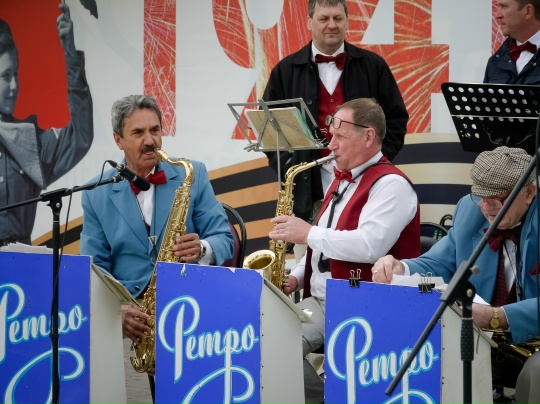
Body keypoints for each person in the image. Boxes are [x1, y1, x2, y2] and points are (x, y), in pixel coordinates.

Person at [269, 98, 419, 404]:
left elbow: (369, 245)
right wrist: (297, 277)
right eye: (331, 136)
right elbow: (322, 250)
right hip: (324, 301)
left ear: (369, 136)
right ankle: (324, 397)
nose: (331, 145)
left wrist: (307, 232)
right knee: (267, 344)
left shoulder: (392, 185)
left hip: (364, 304)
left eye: (340, 137)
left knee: (278, 347)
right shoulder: (340, 179)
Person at [371, 146, 539, 404]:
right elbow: (440, 262)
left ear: (529, 193)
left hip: (531, 337)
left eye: (495, 200)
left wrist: (498, 316)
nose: (485, 207)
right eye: (479, 196)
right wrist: (401, 268)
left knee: (536, 372)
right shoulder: (470, 209)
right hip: (488, 339)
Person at [80, 95, 233, 342]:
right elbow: (95, 267)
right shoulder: (95, 192)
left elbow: (224, 238)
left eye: (155, 130)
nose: (150, 141)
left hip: (190, 305)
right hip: (132, 314)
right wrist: (116, 310)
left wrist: (202, 248)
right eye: (138, 133)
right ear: (118, 140)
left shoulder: (192, 173)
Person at [262, 0, 409, 241]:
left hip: (364, 187)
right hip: (307, 194)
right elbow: (269, 130)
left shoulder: (374, 66)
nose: (332, 25)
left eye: (338, 18)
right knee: (307, 260)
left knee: (359, 252)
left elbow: (396, 120)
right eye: (324, 18)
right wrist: (291, 167)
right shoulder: (285, 70)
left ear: (347, 21)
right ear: (309, 22)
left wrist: (375, 163)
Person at [0, 3, 93, 245]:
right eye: (5, 76)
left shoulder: (28, 141)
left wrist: (70, 55)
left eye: (16, 73)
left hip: (20, 263)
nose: (14, 86)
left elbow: (80, 136)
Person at [484, 0, 540, 84]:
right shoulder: (495, 61)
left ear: (528, 11)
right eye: (498, 7)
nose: (497, 15)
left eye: (504, 6)